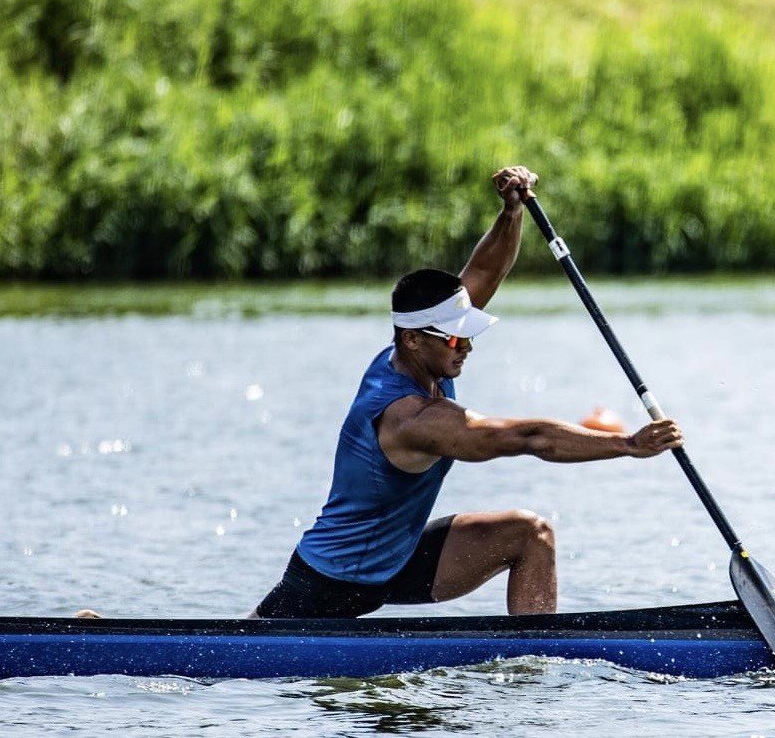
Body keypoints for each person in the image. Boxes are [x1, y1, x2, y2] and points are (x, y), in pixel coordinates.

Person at [252, 166, 684, 619]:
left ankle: (535, 661)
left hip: (397, 561)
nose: (467, 346)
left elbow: (482, 270)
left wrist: (511, 212)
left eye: (467, 333)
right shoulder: (412, 418)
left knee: (530, 534)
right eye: (456, 338)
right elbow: (529, 438)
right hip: (330, 582)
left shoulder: (421, 348)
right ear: (413, 339)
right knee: (248, 645)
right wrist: (628, 445)